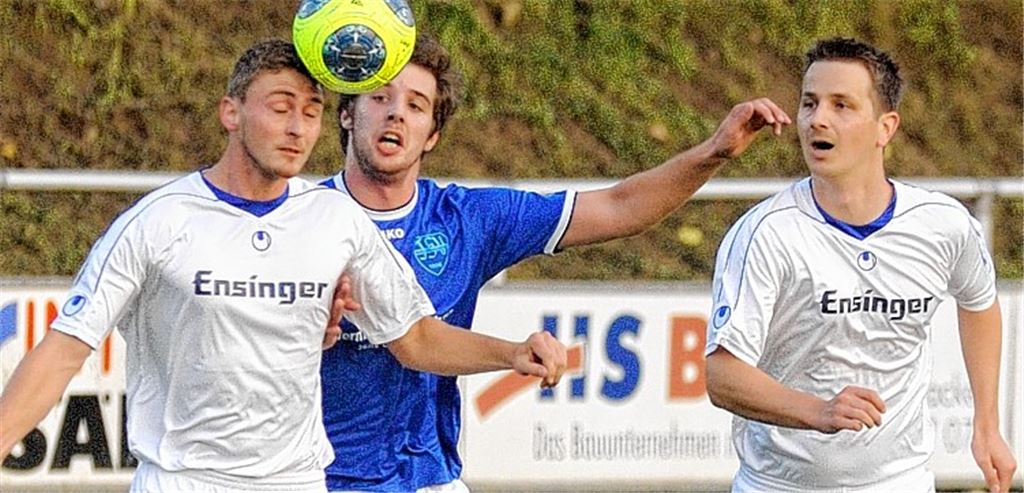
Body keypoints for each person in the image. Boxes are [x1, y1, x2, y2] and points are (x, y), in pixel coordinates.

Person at [0, 39, 567, 492]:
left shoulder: (334, 221)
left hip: (296, 481)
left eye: (312, 111)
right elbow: (62, 352)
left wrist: (510, 353)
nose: (298, 127)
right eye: (280, 108)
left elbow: (415, 338)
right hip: (183, 481)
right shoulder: (159, 221)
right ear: (231, 112)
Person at [319, 32, 792, 492]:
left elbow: (621, 207)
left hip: (429, 479)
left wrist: (713, 152)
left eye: (416, 105)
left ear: (432, 136)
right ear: (346, 114)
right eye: (380, 98)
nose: (397, 113)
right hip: (312, 479)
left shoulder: (468, 219)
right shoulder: (304, 221)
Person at [704, 37, 1017, 493]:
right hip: (780, 485)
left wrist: (987, 424)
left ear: (884, 128)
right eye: (809, 103)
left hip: (900, 481)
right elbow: (721, 376)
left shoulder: (944, 225)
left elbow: (979, 302)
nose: (818, 119)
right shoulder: (766, 233)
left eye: (841, 105)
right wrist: (819, 411)